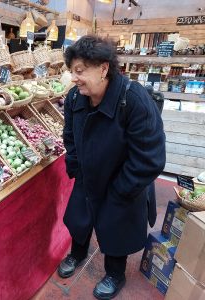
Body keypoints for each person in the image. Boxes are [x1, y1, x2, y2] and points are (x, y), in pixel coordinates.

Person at [58, 35, 166, 299]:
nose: (74, 78)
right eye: (72, 71)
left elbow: (150, 157)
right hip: (87, 175)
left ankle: (115, 273)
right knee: (79, 218)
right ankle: (77, 253)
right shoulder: (75, 98)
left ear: (104, 68)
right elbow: (69, 136)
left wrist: (121, 190)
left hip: (122, 181)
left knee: (116, 227)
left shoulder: (134, 100)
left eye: (80, 71)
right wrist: (76, 167)